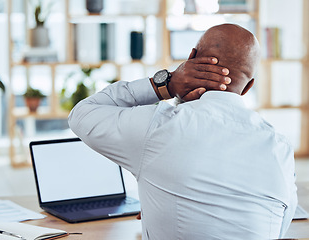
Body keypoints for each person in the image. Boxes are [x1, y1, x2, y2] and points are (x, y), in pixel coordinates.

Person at [68, 24, 297, 239]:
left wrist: (166, 85)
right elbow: (278, 228)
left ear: (190, 58)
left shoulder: (157, 128)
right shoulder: (281, 147)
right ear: (248, 87)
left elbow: (81, 114)